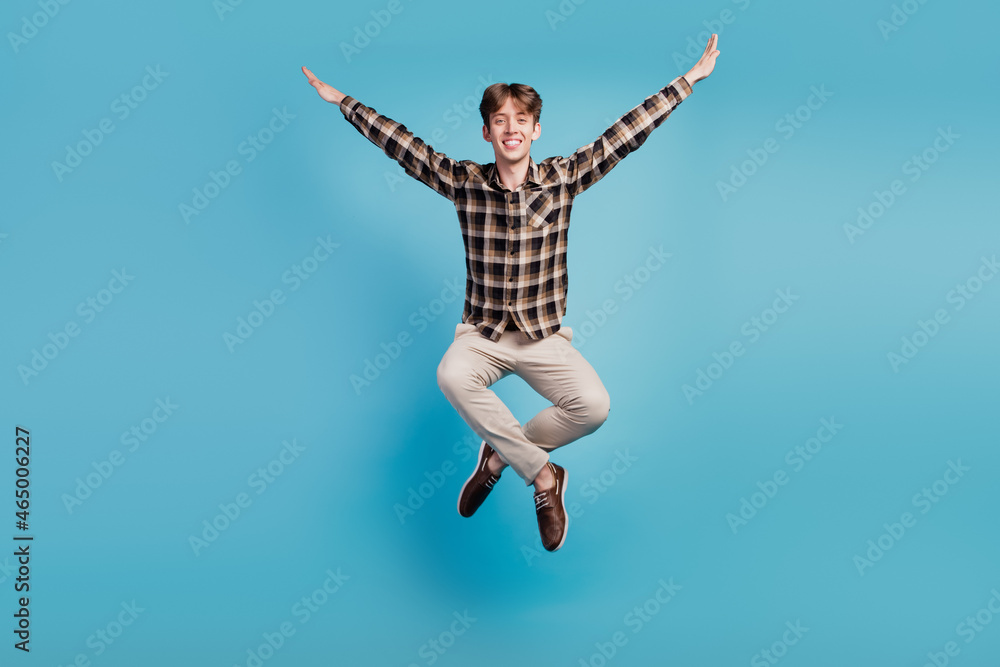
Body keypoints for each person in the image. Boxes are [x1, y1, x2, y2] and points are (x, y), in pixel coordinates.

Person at [302, 34, 720, 552]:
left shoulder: (563, 180)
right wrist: (344, 102)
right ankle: (545, 479)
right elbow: (403, 147)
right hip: (485, 333)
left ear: (536, 130)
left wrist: (688, 82)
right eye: (500, 120)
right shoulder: (465, 182)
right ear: (487, 133)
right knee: (451, 374)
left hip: (542, 336)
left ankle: (498, 457)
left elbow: (623, 135)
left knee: (592, 407)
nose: (511, 128)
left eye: (521, 120)